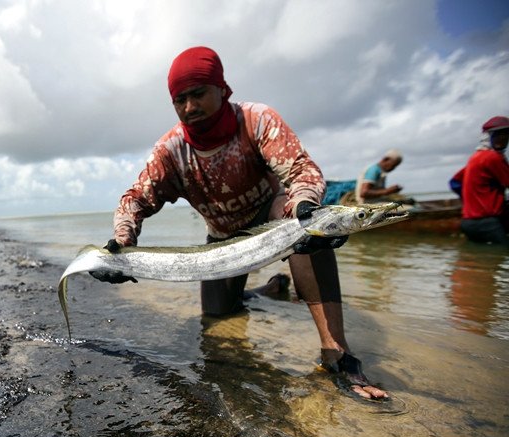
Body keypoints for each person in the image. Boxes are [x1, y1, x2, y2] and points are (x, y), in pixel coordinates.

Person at [90, 46, 388, 400]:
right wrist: (121, 242)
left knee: (311, 228)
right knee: (218, 318)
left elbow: (301, 170)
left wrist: (306, 202)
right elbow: (135, 199)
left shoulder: (256, 120)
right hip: (222, 239)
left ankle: (336, 352)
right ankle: (270, 290)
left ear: (222, 88)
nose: (189, 107)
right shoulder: (171, 151)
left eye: (198, 94)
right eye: (179, 100)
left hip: (275, 217)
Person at [450, 116, 509, 245]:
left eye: (506, 134)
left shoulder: (475, 157)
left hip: (468, 223)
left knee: (481, 262)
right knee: (501, 256)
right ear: (489, 137)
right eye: (499, 134)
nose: (503, 138)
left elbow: (454, 182)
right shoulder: (493, 157)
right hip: (488, 223)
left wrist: (472, 201)